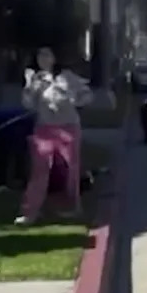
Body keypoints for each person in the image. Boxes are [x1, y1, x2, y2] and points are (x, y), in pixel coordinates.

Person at [16, 47, 93, 226]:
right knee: (39, 169)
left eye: (47, 55)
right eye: (40, 55)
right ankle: (30, 211)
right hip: (44, 128)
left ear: (54, 58)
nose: (43, 59)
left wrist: (76, 99)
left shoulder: (67, 76)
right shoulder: (35, 78)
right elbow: (28, 104)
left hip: (68, 127)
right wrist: (32, 88)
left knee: (70, 168)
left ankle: (72, 207)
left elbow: (87, 95)